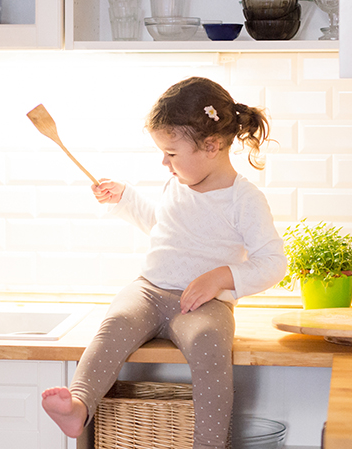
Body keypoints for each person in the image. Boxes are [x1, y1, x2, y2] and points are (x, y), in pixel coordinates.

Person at [41, 77, 287, 449]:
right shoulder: (179, 182)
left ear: (212, 145)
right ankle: (79, 405)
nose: (164, 162)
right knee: (116, 322)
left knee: (209, 343)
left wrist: (221, 278)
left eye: (171, 153)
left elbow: (273, 263)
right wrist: (124, 198)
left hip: (204, 304)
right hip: (150, 290)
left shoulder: (243, 199)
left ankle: (209, 444)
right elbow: (163, 225)